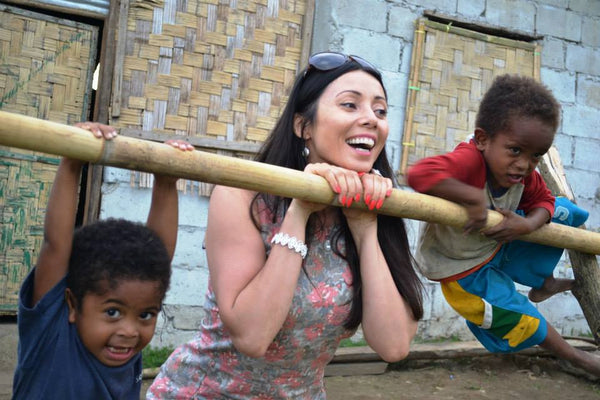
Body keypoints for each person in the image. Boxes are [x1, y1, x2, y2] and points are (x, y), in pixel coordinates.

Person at [147, 52, 424, 398]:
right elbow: (252, 336)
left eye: (380, 111)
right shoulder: (243, 196)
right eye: (350, 105)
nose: (371, 119)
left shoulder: (374, 205)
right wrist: (299, 211)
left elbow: (393, 346)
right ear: (303, 126)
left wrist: (365, 229)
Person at [407, 74, 600, 378]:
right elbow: (418, 174)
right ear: (483, 139)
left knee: (566, 213)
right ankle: (577, 358)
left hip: (498, 244)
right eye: (515, 150)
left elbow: (545, 202)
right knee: (522, 319)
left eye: (536, 155)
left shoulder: (525, 175)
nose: (524, 164)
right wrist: (470, 196)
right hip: (463, 270)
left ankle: (544, 282)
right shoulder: (468, 160)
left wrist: (526, 225)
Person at [11, 122, 194, 399]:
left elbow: (159, 259)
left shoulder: (122, 349)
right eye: (112, 312)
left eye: (146, 315)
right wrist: (71, 160)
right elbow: (56, 245)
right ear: (72, 305)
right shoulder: (54, 332)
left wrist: (166, 182)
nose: (131, 331)